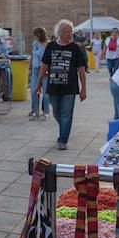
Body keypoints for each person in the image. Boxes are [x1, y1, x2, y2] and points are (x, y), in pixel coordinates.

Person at [32, 19, 87, 150]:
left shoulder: (75, 48)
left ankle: (62, 139)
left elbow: (81, 69)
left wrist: (83, 88)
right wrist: (38, 83)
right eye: (67, 32)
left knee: (66, 114)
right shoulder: (51, 46)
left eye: (71, 32)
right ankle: (64, 127)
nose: (70, 35)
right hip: (53, 87)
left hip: (70, 88)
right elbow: (44, 66)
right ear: (60, 33)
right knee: (57, 113)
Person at [28, 26, 50, 121]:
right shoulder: (35, 44)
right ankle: (35, 111)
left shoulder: (48, 45)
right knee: (33, 90)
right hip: (36, 69)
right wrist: (30, 68)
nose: (35, 37)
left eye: (36, 35)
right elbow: (33, 56)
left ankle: (45, 112)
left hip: (45, 70)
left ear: (40, 34)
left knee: (45, 93)